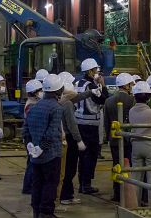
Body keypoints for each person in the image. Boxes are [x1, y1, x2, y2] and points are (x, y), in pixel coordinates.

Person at [23, 74, 64, 218]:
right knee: (50, 184)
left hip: (35, 155)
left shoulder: (35, 105)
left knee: (37, 184)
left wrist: (30, 146)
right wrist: (42, 147)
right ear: (58, 90)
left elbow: (26, 129)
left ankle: (36, 211)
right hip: (51, 154)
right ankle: (46, 212)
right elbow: (52, 132)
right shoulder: (56, 108)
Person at [74, 58, 109, 194]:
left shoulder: (78, 83)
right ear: (90, 71)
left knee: (82, 156)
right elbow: (103, 98)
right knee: (91, 155)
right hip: (90, 124)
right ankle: (86, 184)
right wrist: (103, 84)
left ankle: (82, 182)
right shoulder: (91, 86)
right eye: (96, 70)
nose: (98, 73)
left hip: (79, 122)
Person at [58, 72, 91, 205]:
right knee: (69, 169)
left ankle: (67, 194)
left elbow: (78, 97)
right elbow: (72, 124)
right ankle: (65, 195)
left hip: (64, 138)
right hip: (70, 139)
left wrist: (91, 92)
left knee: (65, 169)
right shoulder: (67, 105)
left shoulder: (61, 100)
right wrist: (79, 140)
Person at [104, 72, 135, 202]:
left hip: (114, 139)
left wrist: (108, 137)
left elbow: (106, 122)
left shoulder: (109, 100)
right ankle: (129, 193)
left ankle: (117, 193)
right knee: (128, 165)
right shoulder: (131, 100)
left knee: (116, 165)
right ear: (127, 86)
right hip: (128, 139)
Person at [129, 81, 151, 206]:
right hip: (150, 145)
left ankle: (134, 205)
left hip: (136, 145)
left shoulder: (131, 111)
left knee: (136, 177)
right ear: (148, 96)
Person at [22, 79, 44, 194]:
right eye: (40, 90)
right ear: (34, 92)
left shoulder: (33, 103)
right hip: (30, 137)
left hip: (29, 135)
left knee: (31, 161)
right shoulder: (31, 105)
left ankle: (29, 185)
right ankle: (28, 187)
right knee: (32, 162)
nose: (42, 92)